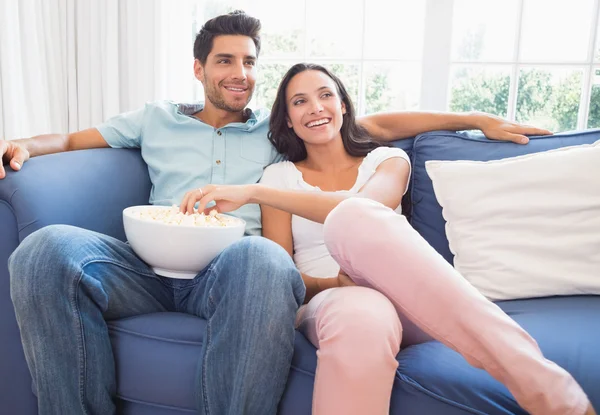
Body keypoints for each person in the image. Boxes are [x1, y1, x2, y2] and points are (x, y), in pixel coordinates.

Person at [1, 10, 556, 415]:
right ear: (199, 69)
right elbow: (74, 136)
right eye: (226, 60)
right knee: (44, 248)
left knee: (267, 262)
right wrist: (26, 143)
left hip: (229, 272)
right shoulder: (155, 118)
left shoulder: (276, 136)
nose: (240, 72)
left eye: (249, 62)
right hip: (145, 265)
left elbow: (372, 126)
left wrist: (472, 117)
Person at [180, 63, 597, 415]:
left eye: (325, 94)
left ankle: (535, 378)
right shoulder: (279, 176)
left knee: (357, 215)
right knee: (361, 313)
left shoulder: (386, 158)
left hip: (410, 294)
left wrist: (253, 193)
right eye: (299, 101)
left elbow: (364, 209)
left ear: (343, 105)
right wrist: (333, 285)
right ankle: (553, 395)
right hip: (334, 298)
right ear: (288, 119)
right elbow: (282, 273)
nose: (316, 107)